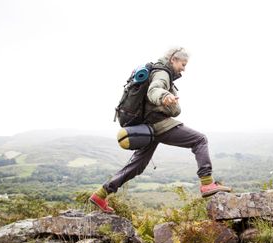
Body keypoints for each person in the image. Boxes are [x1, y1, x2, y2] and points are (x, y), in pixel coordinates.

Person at [90, 47, 231, 213]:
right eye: (183, 64)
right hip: (159, 125)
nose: (184, 69)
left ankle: (101, 194)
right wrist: (164, 96)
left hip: (147, 129)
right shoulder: (162, 73)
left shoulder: (157, 70)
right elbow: (155, 89)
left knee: (137, 165)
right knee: (199, 140)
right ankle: (207, 183)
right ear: (173, 59)